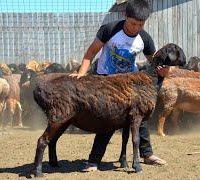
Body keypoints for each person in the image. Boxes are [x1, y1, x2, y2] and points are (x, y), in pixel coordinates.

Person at [70, 0, 166, 172]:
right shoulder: (109, 29)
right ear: (125, 16)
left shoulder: (144, 38)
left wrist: (162, 70)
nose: (136, 27)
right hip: (106, 81)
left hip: (131, 84)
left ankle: (147, 154)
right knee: (108, 119)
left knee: (139, 117)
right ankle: (94, 161)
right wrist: (82, 74)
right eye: (133, 23)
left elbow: (154, 63)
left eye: (140, 24)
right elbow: (90, 53)